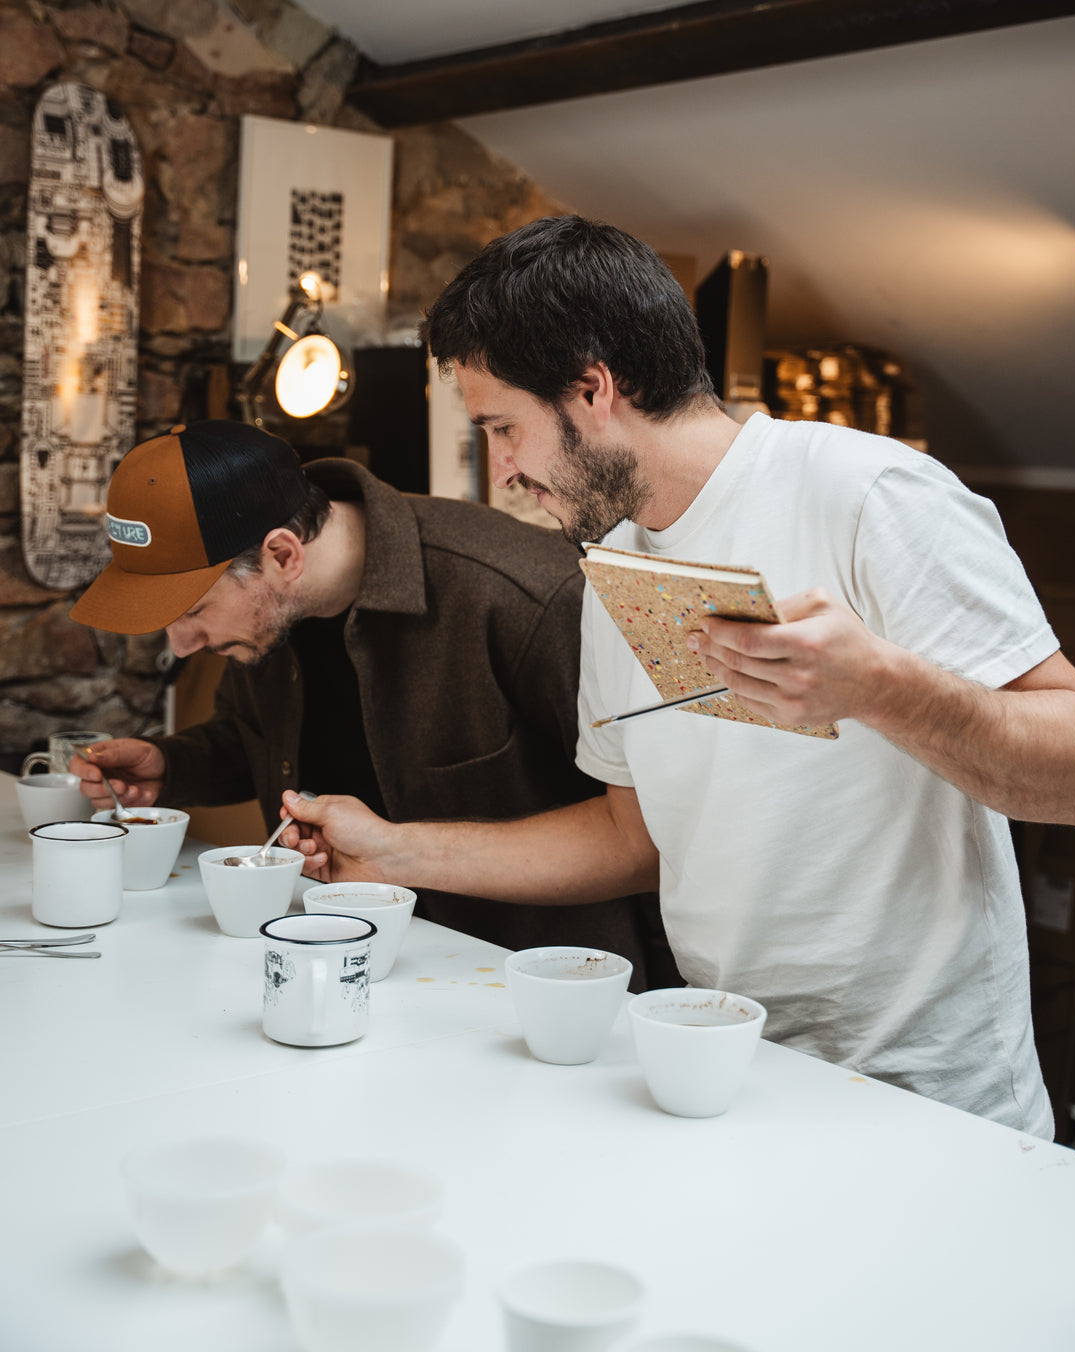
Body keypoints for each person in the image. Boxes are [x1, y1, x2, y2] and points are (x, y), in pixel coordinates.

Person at [278, 214, 1075, 1136]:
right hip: (727, 1064)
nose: (505, 468)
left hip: (924, 1090)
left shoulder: (869, 494)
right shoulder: (617, 562)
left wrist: (882, 688)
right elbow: (631, 835)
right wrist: (395, 851)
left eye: (504, 427)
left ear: (592, 388)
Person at [67, 418, 668, 977]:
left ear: (282, 554)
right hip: (343, 957)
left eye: (193, 610)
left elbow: (647, 832)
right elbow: (256, 735)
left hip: (529, 984)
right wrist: (172, 766)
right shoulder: (269, 616)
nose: (183, 643)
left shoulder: (527, 596)